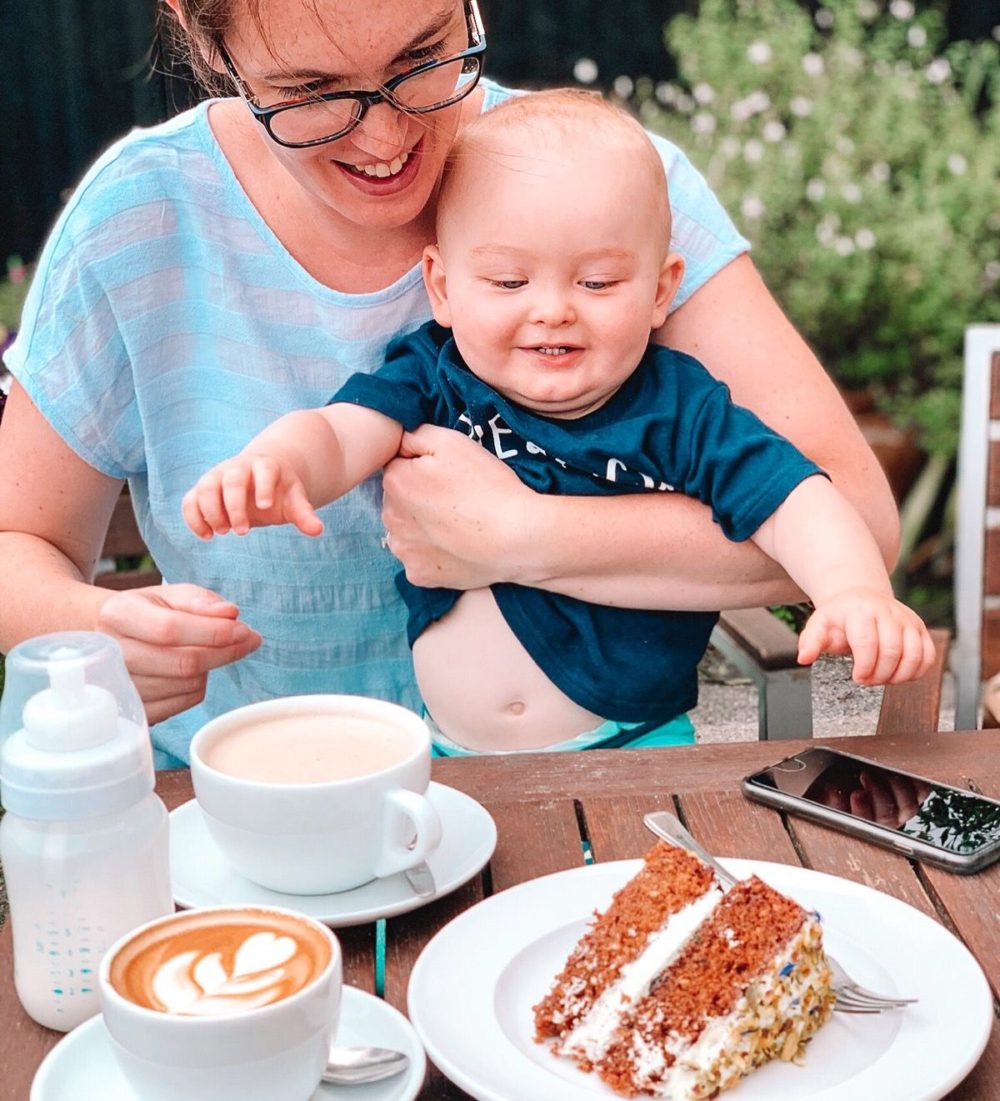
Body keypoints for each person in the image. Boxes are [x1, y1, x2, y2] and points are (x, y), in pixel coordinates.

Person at [0, 0, 902, 768]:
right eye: (310, 94)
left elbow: (853, 515)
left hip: (574, 769)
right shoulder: (135, 219)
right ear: (214, 53)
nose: (388, 139)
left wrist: (523, 535)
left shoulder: (606, 185)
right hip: (256, 788)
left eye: (427, 56)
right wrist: (95, 634)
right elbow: (17, 542)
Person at [183, 90, 935, 755]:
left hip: (638, 746)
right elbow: (345, 431)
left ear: (661, 290)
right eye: (509, 280)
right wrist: (277, 462)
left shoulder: (679, 407)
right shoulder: (435, 374)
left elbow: (792, 496)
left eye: (598, 281)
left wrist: (853, 591)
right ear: (442, 288)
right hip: (447, 753)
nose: (553, 307)